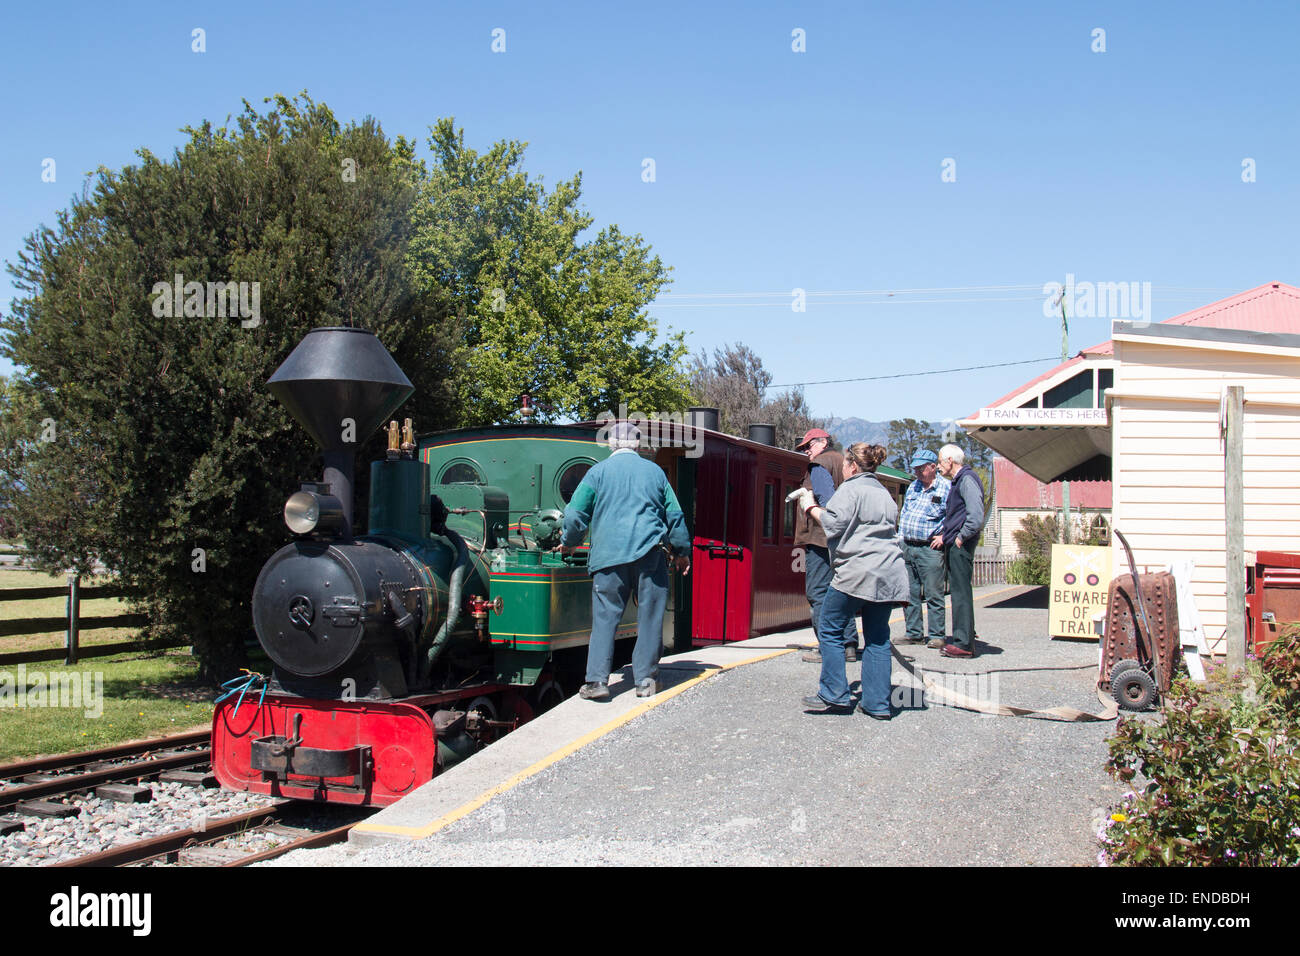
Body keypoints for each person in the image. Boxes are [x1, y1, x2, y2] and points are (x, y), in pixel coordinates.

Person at [559, 421, 692, 700]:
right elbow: (675, 516)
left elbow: (573, 516)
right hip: (650, 555)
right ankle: (645, 680)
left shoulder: (597, 473)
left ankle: (597, 682)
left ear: (611, 445)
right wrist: (681, 552)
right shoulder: (655, 473)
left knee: (606, 617)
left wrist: (570, 543)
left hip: (608, 558)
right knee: (650, 616)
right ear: (637, 445)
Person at [791, 443, 909, 718]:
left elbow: (833, 522)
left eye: (845, 465)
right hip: (888, 573)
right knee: (878, 636)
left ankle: (835, 693)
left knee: (831, 626)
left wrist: (809, 507)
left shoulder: (850, 489)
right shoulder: (884, 493)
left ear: (853, 466)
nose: (842, 469)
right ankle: (878, 704)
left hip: (857, 572)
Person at [792, 428, 860, 664]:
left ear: (823, 443)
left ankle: (828, 647)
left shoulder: (819, 465)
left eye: (809, 446)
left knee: (818, 593)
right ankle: (849, 644)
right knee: (842, 589)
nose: (807, 451)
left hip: (821, 538)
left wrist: (810, 506)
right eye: (804, 448)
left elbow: (828, 501)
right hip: (844, 539)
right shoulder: (845, 462)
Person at [931, 443, 985, 659]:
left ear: (949, 461)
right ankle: (965, 637)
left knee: (961, 593)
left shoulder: (967, 480)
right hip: (955, 542)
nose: (938, 466)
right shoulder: (961, 480)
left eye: (940, 462)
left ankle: (963, 643)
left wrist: (961, 537)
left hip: (961, 544)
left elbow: (976, 515)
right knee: (959, 592)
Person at [898, 449, 951, 650]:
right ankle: (914, 633)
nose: (918, 472)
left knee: (933, 593)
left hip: (929, 548)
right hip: (908, 546)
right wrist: (900, 539)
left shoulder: (946, 488)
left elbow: (956, 516)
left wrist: (945, 536)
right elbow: (904, 514)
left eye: (922, 468)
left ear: (933, 467)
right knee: (909, 592)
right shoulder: (913, 487)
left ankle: (937, 634)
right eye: (916, 468)